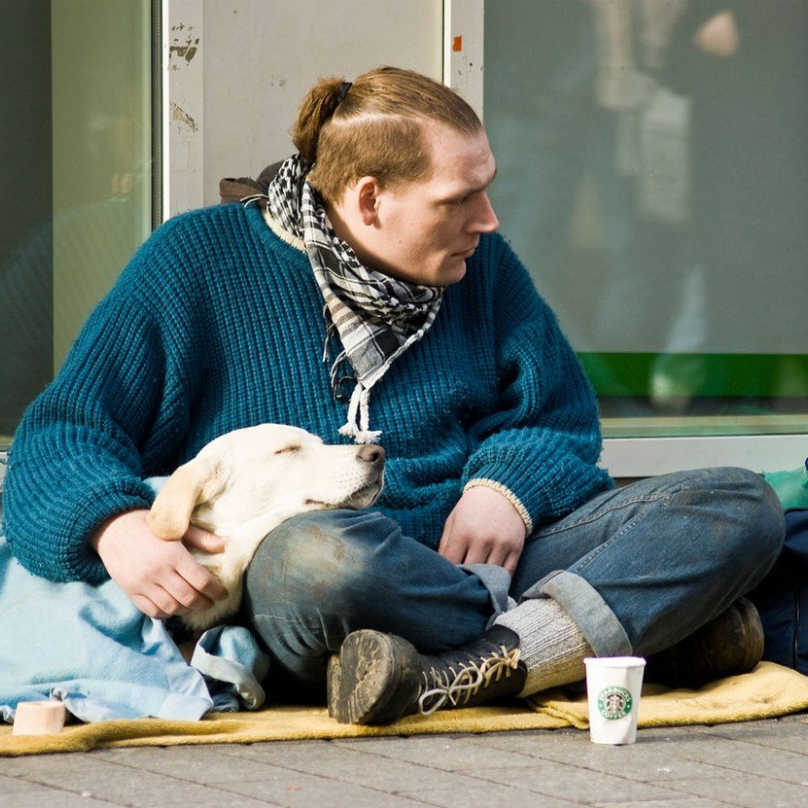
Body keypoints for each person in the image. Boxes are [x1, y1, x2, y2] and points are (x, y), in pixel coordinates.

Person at [2, 67, 784, 725]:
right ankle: (622, 632)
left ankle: (472, 668)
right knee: (321, 560)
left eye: (488, 190)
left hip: (486, 564)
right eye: (459, 200)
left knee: (738, 505)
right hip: (320, 588)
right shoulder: (194, 262)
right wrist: (117, 531)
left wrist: (504, 489)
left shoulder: (486, 270)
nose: (489, 219)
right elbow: (61, 436)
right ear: (370, 200)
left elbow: (559, 417)